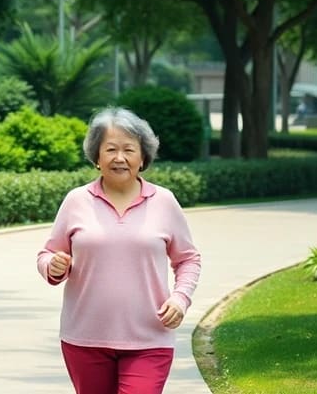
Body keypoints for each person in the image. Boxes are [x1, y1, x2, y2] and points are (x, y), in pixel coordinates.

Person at [37, 107, 201, 394]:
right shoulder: (77, 201)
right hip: (85, 339)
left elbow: (188, 259)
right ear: (97, 157)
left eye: (129, 149)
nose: (120, 158)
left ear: (143, 157)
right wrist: (52, 266)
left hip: (150, 339)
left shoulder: (164, 202)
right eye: (110, 149)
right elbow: (47, 254)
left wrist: (180, 299)